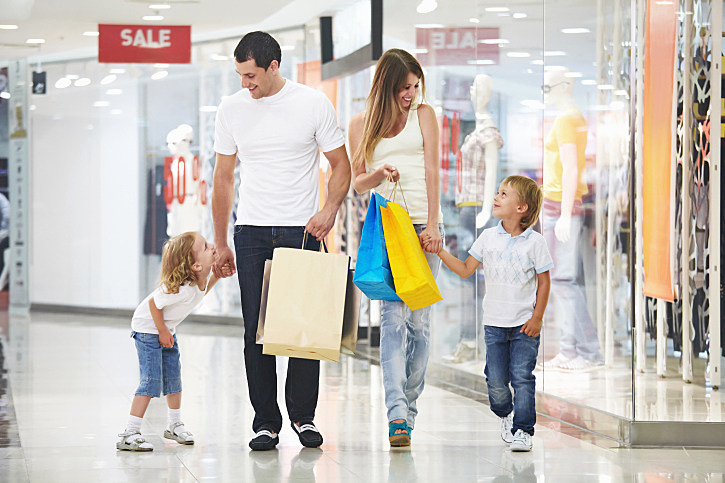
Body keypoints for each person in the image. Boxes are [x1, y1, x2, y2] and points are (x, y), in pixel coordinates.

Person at [211, 31, 351, 451]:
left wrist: (329, 211)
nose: (244, 84)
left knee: (305, 328)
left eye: (251, 75)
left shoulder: (311, 104)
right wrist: (221, 242)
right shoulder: (231, 109)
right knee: (256, 330)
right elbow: (222, 179)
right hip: (251, 230)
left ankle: (304, 418)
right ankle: (265, 422)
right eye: (239, 75)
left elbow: (341, 166)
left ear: (274, 67)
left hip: (301, 229)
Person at [348, 48, 443, 447]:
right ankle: (397, 415)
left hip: (422, 228)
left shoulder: (425, 116)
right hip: (388, 229)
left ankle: (411, 407)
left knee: (419, 324)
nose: (412, 93)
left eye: (416, 85)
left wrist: (435, 224)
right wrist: (377, 173)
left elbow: (434, 170)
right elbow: (357, 183)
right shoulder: (360, 124)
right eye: (405, 87)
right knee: (391, 321)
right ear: (387, 86)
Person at [431, 175, 552, 452]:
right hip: (494, 325)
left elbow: (544, 282)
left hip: (524, 325)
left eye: (504, 194)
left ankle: (523, 430)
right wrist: (439, 252)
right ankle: (505, 413)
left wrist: (537, 318)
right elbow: (465, 269)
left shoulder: (536, 243)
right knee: (496, 382)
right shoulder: (488, 237)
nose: (496, 197)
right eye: (497, 192)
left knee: (522, 377)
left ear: (522, 207)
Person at [116, 231, 220, 452]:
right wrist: (162, 331)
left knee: (173, 378)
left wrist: (217, 277)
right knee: (151, 380)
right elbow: (154, 304)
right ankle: (130, 432)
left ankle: (174, 424)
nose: (211, 246)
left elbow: (201, 294)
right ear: (196, 267)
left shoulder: (197, 283)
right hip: (148, 330)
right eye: (205, 247)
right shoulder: (180, 288)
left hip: (165, 331)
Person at [540, 67, 603, 371]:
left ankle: (581, 351)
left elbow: (571, 168)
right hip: (555, 205)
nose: (546, 93)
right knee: (563, 282)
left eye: (548, 87)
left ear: (564, 86)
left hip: (560, 206)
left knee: (565, 281)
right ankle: (576, 349)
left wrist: (565, 213)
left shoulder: (567, 118)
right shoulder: (570, 116)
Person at [447, 74, 504, 363]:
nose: (474, 91)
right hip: (466, 208)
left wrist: (485, 209)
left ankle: (476, 340)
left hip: (476, 211)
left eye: (481, 87)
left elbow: (491, 173)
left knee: (474, 279)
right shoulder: (477, 129)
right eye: (473, 86)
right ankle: (468, 338)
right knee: (467, 280)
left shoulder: (488, 131)